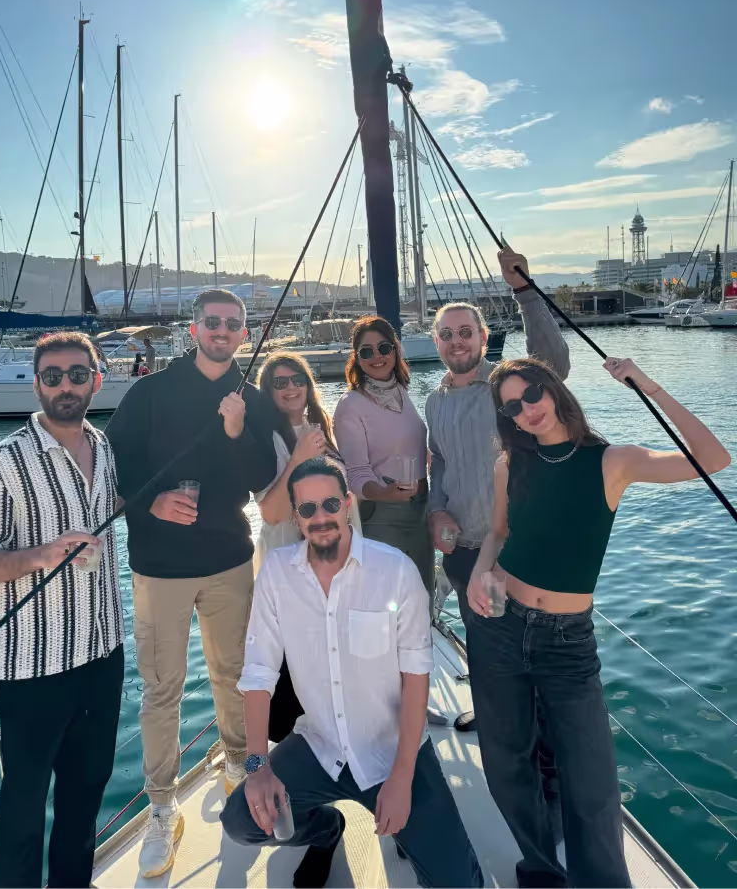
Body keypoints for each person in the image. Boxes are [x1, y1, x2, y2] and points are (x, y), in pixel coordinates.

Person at [467, 355, 731, 888]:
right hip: (499, 628)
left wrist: (648, 385)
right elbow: (497, 532)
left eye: (532, 395)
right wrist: (479, 572)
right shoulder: (508, 465)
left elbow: (714, 458)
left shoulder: (613, 461)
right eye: (512, 407)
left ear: (553, 390)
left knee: (591, 784)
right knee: (506, 765)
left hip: (567, 642)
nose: (527, 410)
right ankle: (540, 868)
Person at [220, 457, 483, 889]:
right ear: (295, 517)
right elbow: (258, 674)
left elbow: (417, 680)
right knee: (241, 822)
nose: (320, 517)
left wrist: (401, 780)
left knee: (458, 882)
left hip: (395, 753)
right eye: (307, 509)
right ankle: (326, 830)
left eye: (329, 504)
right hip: (319, 746)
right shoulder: (276, 574)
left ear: (346, 504)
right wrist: (257, 766)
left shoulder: (394, 570)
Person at [106, 289, 277, 878]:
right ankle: (161, 808)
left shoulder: (249, 399)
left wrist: (237, 430)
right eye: (213, 322)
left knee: (235, 674)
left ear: (244, 334)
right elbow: (115, 466)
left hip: (230, 557)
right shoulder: (150, 392)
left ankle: (238, 766)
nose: (223, 331)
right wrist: (152, 503)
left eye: (233, 324)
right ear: (194, 327)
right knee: (162, 690)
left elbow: (263, 480)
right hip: (159, 566)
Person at [0, 332, 125, 889]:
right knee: (23, 814)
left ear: (95, 381)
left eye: (77, 375)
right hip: (34, 671)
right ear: (36, 384)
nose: (65, 385)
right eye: (52, 376)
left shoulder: (104, 448)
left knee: (84, 802)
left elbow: (111, 507)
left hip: (104, 656)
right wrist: (44, 554)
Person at [425, 245, 570, 732]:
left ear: (484, 337)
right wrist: (436, 509)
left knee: (527, 646)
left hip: (514, 549)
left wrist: (524, 291)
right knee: (484, 642)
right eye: (446, 335)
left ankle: (540, 737)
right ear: (436, 342)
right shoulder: (434, 401)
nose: (456, 341)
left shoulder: (505, 387)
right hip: (464, 551)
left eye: (465, 332)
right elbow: (440, 460)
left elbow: (554, 365)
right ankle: (491, 715)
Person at [254, 352, 363, 743]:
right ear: (268, 391)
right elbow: (269, 513)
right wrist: (299, 457)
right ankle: (284, 766)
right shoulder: (267, 439)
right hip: (293, 571)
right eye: (279, 382)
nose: (290, 388)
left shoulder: (321, 426)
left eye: (296, 378)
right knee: (294, 670)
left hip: (339, 564)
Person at [333, 316, 433, 598]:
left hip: (422, 512)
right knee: (388, 606)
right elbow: (356, 474)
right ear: (357, 358)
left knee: (422, 599)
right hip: (384, 517)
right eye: (366, 351)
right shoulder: (351, 405)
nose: (377, 357)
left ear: (395, 349)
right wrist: (387, 493)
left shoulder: (401, 391)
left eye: (384, 348)